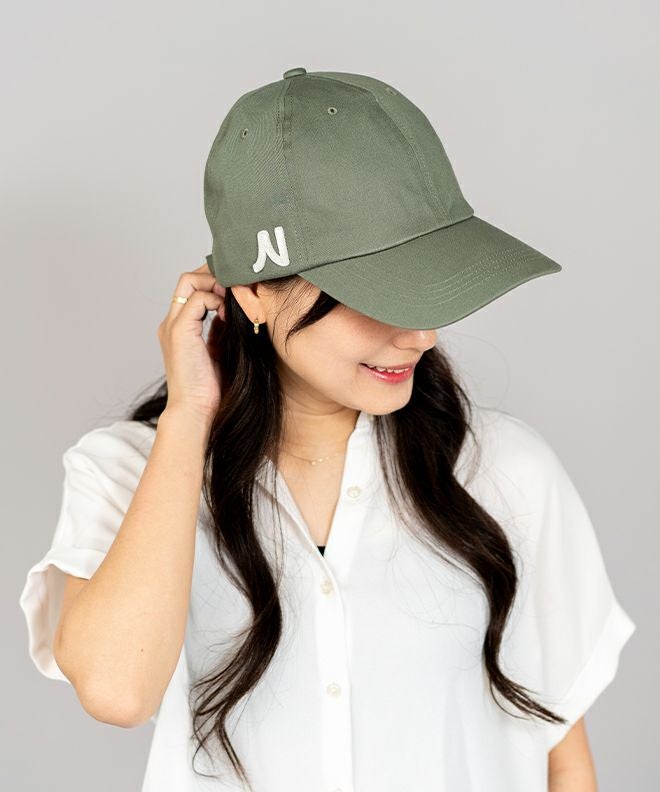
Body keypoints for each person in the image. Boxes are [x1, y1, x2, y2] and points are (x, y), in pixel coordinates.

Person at [19, 68, 636, 792]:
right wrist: (188, 415)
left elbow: (563, 755)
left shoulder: (504, 469)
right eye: (378, 292)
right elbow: (118, 693)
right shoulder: (129, 472)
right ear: (253, 291)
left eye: (429, 283)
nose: (421, 334)